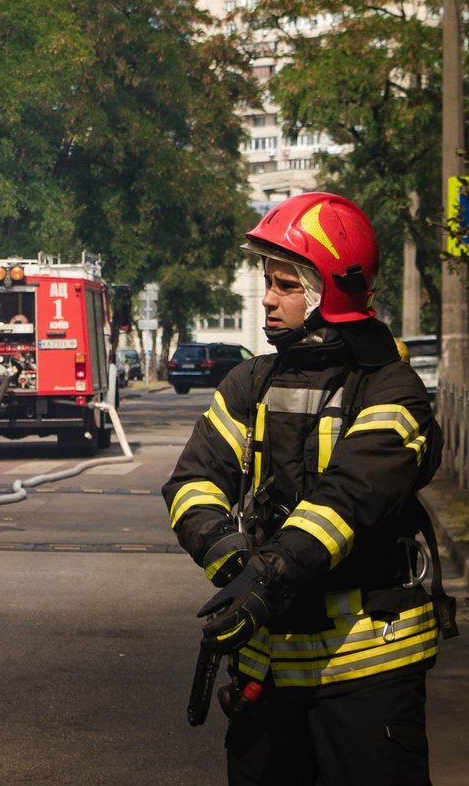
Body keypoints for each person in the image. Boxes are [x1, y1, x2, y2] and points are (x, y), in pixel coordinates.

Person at [161, 192, 447, 784]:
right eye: (268, 280)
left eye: (285, 284)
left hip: (367, 671)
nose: (267, 298)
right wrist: (232, 561)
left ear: (331, 290)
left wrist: (265, 578)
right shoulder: (250, 382)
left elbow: (350, 498)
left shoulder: (391, 390)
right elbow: (193, 483)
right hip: (266, 671)